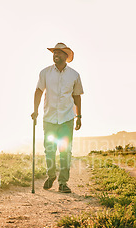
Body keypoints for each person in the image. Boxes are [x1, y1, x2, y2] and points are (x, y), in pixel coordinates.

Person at [30, 43, 84, 193]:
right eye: (54, 52)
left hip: (67, 118)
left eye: (59, 53)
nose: (55, 55)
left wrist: (79, 116)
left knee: (65, 150)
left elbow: (77, 96)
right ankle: (51, 175)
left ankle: (63, 183)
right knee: (50, 149)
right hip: (49, 118)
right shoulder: (45, 73)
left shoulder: (74, 75)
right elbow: (38, 91)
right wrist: (35, 110)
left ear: (66, 56)